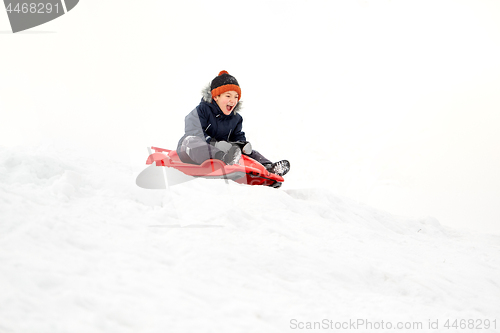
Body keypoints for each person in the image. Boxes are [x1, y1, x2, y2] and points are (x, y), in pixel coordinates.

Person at [176, 70, 290, 176]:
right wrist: (213, 143)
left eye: (236, 97)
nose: (233, 100)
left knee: (249, 152)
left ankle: (269, 167)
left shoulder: (236, 119)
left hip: (225, 152)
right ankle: (223, 159)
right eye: (228, 96)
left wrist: (242, 145)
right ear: (216, 97)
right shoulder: (201, 111)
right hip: (191, 150)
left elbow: (237, 137)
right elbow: (193, 131)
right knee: (192, 142)